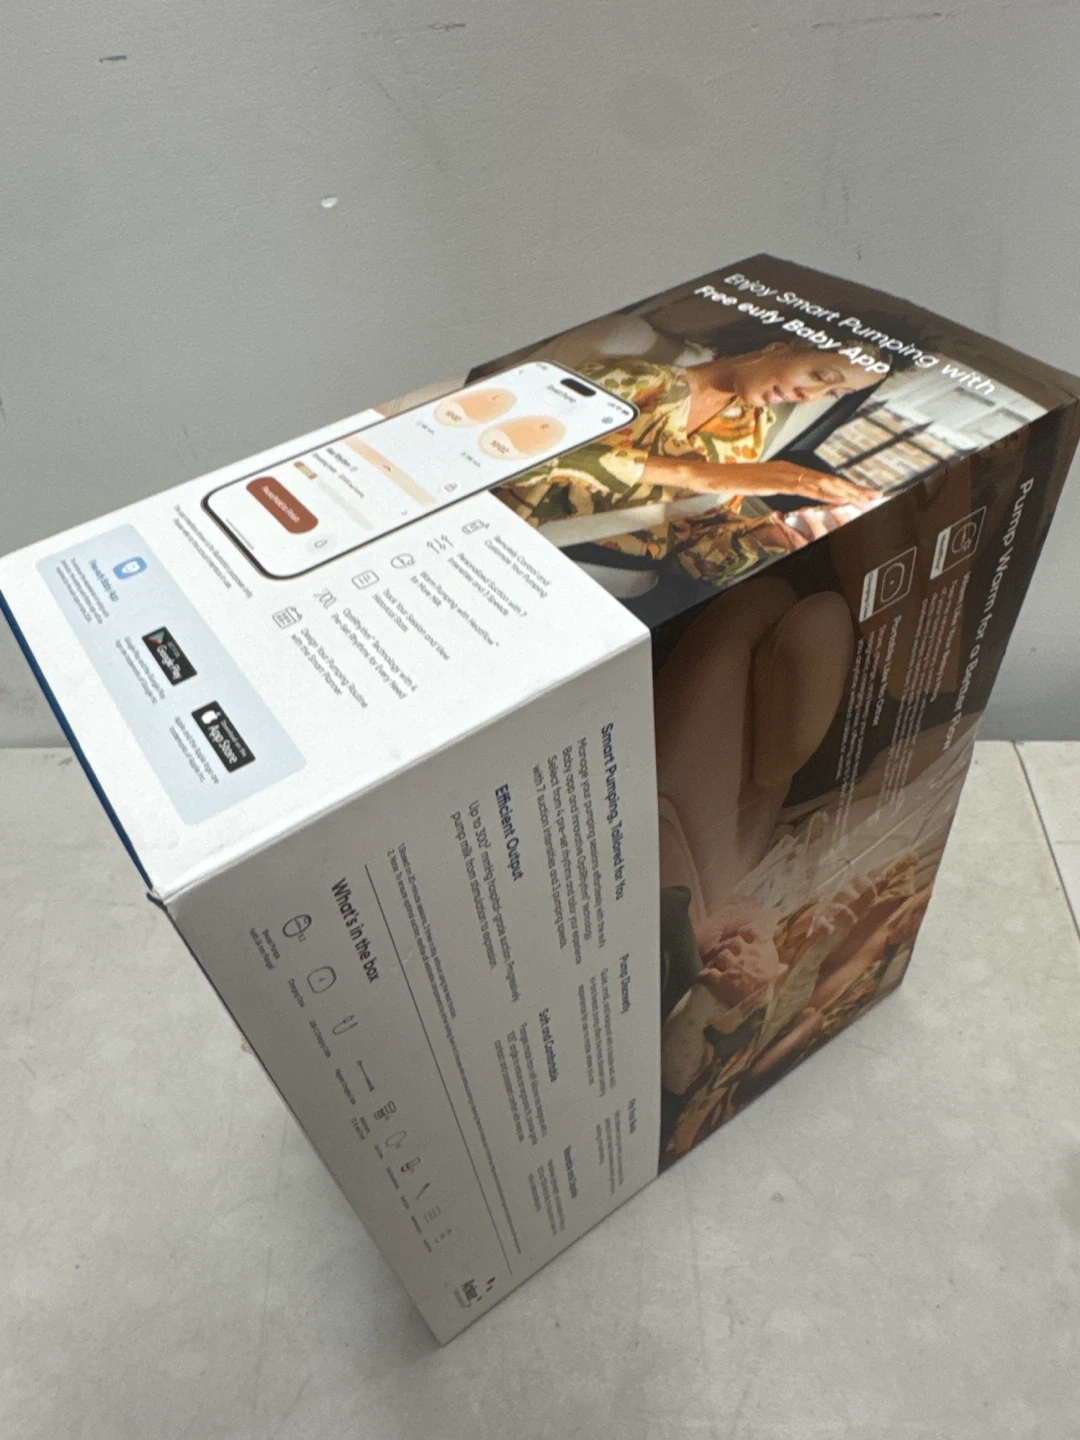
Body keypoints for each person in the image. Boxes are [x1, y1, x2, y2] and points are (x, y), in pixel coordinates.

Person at [494, 339, 886, 586]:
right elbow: (514, 454)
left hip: (624, 589)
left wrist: (774, 537)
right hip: (519, 555)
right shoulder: (635, 379)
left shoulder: (749, 430)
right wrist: (700, 475)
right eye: (820, 375)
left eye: (832, 393)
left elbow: (691, 555)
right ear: (777, 348)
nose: (811, 395)